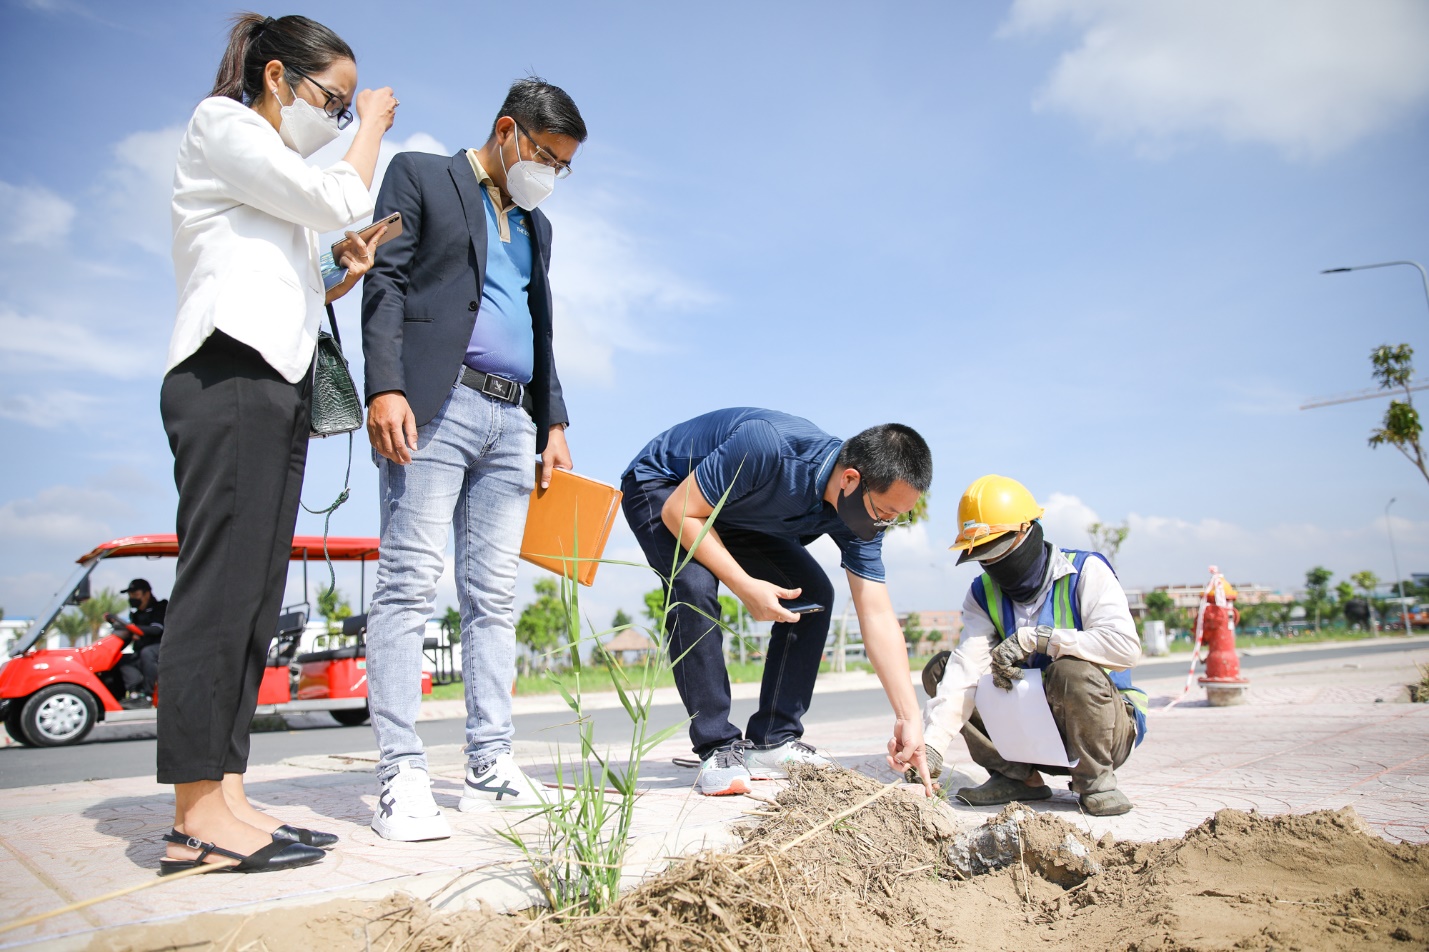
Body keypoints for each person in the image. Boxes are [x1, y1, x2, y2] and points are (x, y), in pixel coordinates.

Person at [159, 12, 397, 873]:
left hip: (274, 383)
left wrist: (340, 272)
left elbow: (285, 273)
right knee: (219, 590)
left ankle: (225, 794)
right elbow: (341, 192)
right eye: (329, 101)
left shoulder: (272, 175)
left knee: (254, 597)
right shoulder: (221, 125)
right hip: (227, 378)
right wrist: (372, 125)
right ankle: (193, 816)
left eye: (346, 110)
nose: (337, 119)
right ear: (274, 78)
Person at [360, 78, 585, 841]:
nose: (550, 174)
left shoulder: (535, 225)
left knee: (493, 596)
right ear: (507, 131)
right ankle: (402, 770)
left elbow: (538, 323)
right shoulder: (421, 176)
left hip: (511, 419)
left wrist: (550, 419)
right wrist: (385, 384)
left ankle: (489, 763)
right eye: (547, 156)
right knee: (409, 583)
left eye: (564, 166)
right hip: (436, 404)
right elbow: (384, 281)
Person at [621, 409, 936, 796]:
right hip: (667, 488)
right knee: (694, 586)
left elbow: (875, 611)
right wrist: (744, 586)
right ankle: (716, 746)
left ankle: (774, 738)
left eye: (896, 518)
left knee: (813, 594)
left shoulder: (860, 516)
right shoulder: (767, 447)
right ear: (851, 479)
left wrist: (909, 716)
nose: (884, 524)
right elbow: (679, 511)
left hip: (734, 511)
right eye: (884, 512)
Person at [915, 475, 1148, 817]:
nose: (994, 565)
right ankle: (1016, 776)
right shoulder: (983, 595)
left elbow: (1124, 647)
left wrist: (1041, 639)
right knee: (942, 668)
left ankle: (1094, 781)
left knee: (1072, 671)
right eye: (984, 556)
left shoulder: (1085, 572)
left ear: (1027, 531)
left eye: (998, 552)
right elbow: (965, 669)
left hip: (1104, 730)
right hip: (1028, 733)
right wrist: (933, 745)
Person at [116, 579, 167, 704]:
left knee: (147, 653)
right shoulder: (136, 614)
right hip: (143, 652)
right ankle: (134, 693)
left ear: (147, 594)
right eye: (130, 595)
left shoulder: (160, 607)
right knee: (121, 659)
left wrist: (134, 629)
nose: (132, 598)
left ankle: (148, 695)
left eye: (136, 594)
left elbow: (157, 629)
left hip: (162, 649)